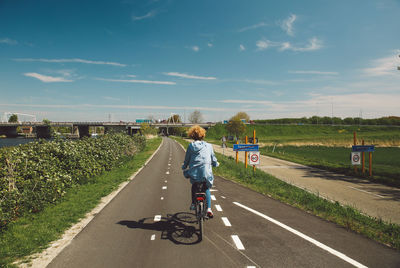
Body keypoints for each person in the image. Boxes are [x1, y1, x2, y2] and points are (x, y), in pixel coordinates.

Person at [182, 125, 219, 218]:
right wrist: (215, 164)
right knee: (206, 188)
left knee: (194, 185)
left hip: (194, 172)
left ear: (192, 136)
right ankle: (209, 209)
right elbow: (213, 159)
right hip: (206, 172)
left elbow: (187, 159)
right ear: (203, 135)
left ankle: (194, 204)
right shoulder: (209, 146)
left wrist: (184, 166)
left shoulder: (191, 146)